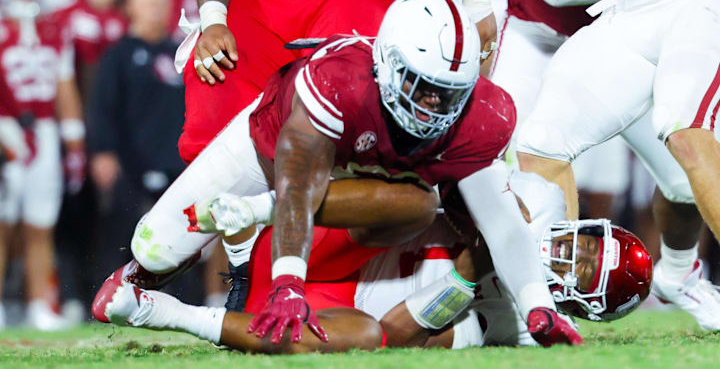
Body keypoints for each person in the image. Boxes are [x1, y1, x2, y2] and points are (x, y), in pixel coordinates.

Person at [92, 0, 581, 347]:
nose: (434, 106)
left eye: (449, 93)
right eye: (421, 86)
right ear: (385, 64)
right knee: (154, 246)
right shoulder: (340, 81)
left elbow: (502, 222)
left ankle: (229, 254)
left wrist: (537, 301)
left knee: (418, 203)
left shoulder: (483, 116)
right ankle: (145, 273)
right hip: (275, 153)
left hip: (366, 200)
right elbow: (299, 183)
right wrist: (289, 280)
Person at [92, 171, 651, 352]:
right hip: (316, 242)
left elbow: (404, 331)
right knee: (416, 201)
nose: (564, 254)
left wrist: (469, 270)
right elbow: (448, 173)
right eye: (582, 244)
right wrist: (483, 222)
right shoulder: (536, 199)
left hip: (310, 308)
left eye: (579, 268)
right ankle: (256, 215)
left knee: (371, 337)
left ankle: (157, 311)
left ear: (581, 302)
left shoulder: (521, 326)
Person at [516, 0, 720, 331]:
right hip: (626, 9)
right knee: (542, 145)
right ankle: (548, 305)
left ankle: (679, 273)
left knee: (686, 135)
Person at [87, 0, 187, 290]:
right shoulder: (118, 55)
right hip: (129, 160)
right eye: (147, 2)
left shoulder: (181, 52)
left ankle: (179, 300)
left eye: (160, 1)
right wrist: (103, 152)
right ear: (131, 7)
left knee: (179, 236)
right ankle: (109, 295)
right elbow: (102, 106)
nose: (155, 9)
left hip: (176, 160)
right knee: (121, 232)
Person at [0, 0, 85, 331]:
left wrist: (74, 139)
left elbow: (65, 83)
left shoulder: (55, 28)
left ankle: (38, 304)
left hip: (45, 130)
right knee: (2, 223)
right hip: (6, 130)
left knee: (40, 223)